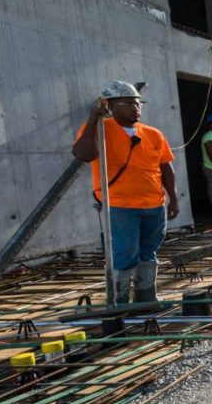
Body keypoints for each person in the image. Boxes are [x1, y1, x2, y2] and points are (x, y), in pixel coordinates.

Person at [71, 81, 178, 303]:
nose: (136, 109)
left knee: (149, 252)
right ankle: (118, 299)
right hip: (120, 205)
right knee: (125, 253)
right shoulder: (100, 130)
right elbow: (83, 154)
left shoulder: (153, 134)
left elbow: (166, 167)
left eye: (138, 104)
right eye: (129, 104)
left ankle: (146, 296)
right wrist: (94, 119)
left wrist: (173, 198)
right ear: (110, 105)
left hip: (153, 205)